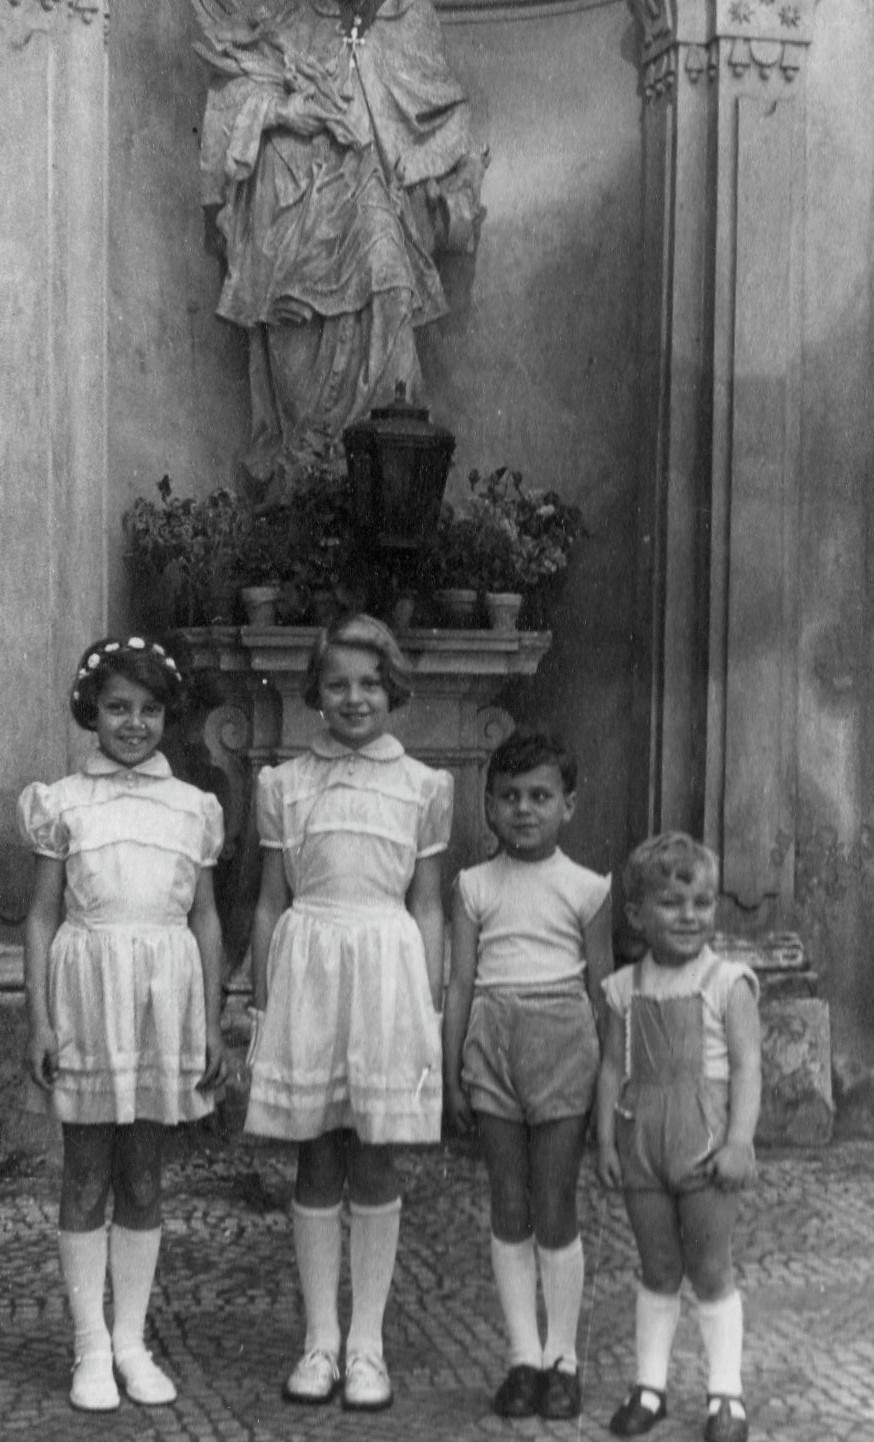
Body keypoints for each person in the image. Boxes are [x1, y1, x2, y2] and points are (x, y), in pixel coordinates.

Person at [245, 613, 453, 1411]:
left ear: (393, 690)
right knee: (317, 1153)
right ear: (316, 692)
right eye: (337, 684)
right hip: (310, 968)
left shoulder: (423, 786)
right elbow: (270, 903)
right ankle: (320, 1340)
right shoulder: (284, 785)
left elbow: (427, 905)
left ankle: (367, 1343)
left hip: (388, 973)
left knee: (374, 1153)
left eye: (369, 683)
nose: (354, 698)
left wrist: (426, 1005)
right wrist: (264, 1003)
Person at [18, 636, 227, 1413]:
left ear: (167, 715)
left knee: (143, 1175)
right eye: (116, 708)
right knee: (85, 1173)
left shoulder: (193, 808)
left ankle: (132, 1341)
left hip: (161, 1003)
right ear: (91, 712)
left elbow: (206, 919)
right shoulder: (64, 802)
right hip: (87, 1000)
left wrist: (210, 1022)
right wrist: (40, 1020)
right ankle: (90, 1346)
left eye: (148, 709)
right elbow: (41, 917)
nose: (133, 724)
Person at [193, 0, 488, 485]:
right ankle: (307, 463)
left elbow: (442, 113)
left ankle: (385, 476)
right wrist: (285, 112)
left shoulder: (409, 16)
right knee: (294, 315)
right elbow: (233, 98)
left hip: (368, 184)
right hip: (293, 203)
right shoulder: (289, 13)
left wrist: (446, 180)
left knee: (391, 283)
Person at [443, 729, 613, 1422]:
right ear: (488, 805)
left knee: (555, 1201)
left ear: (568, 805)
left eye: (540, 797)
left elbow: (604, 992)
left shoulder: (588, 888)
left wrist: (611, 1086)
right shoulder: (473, 885)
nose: (523, 810)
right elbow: (460, 983)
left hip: (563, 1042)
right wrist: (453, 1072)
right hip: (492, 1040)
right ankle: (522, 1356)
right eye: (509, 797)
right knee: (508, 1202)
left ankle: (562, 1358)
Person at [597, 833, 761, 1442]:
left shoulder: (726, 982)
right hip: (642, 1141)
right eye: (671, 903)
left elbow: (747, 1066)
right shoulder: (623, 988)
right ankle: (650, 1386)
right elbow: (610, 1068)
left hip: (704, 1142)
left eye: (702, 902)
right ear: (637, 914)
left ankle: (726, 1394)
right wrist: (606, 1141)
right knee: (658, 1265)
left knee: (711, 1267)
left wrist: (739, 1142)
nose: (690, 916)